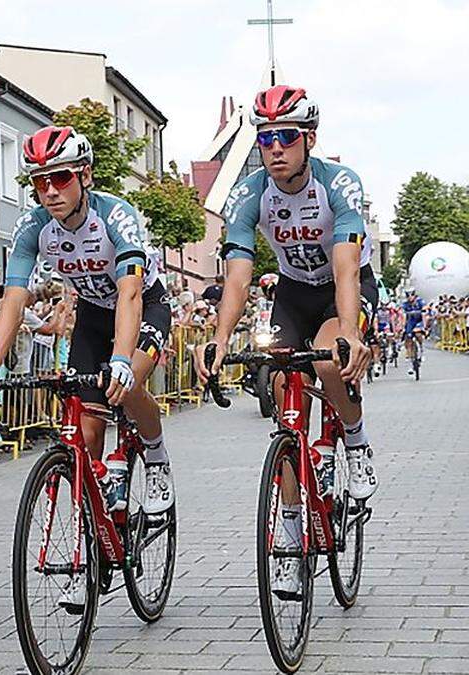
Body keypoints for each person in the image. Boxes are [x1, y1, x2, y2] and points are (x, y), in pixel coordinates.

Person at [0, 126, 176, 612]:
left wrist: (124, 362)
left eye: (59, 178)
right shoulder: (31, 227)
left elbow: (129, 292)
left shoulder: (116, 216)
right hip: (91, 316)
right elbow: (15, 299)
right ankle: (89, 551)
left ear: (84, 175)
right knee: (85, 434)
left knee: (125, 388)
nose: (49, 191)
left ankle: (156, 452)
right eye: (39, 181)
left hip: (143, 306)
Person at [195, 85, 377, 601]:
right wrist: (219, 338)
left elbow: (345, 265)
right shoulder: (250, 192)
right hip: (294, 292)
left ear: (309, 139)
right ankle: (292, 528)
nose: (274, 148)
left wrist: (349, 331)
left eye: (286, 137)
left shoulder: (339, 184)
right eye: (266, 137)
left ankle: (357, 440)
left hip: (345, 285)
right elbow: (237, 277)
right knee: (279, 384)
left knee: (326, 364)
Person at [402, 289, 426, 374]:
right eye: (408, 296)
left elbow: (424, 315)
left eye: (411, 296)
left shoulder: (420, 302)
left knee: (418, 333)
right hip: (410, 322)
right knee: (409, 341)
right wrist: (403, 327)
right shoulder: (405, 304)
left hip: (419, 321)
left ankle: (421, 349)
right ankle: (411, 364)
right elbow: (404, 317)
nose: (409, 298)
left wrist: (425, 326)